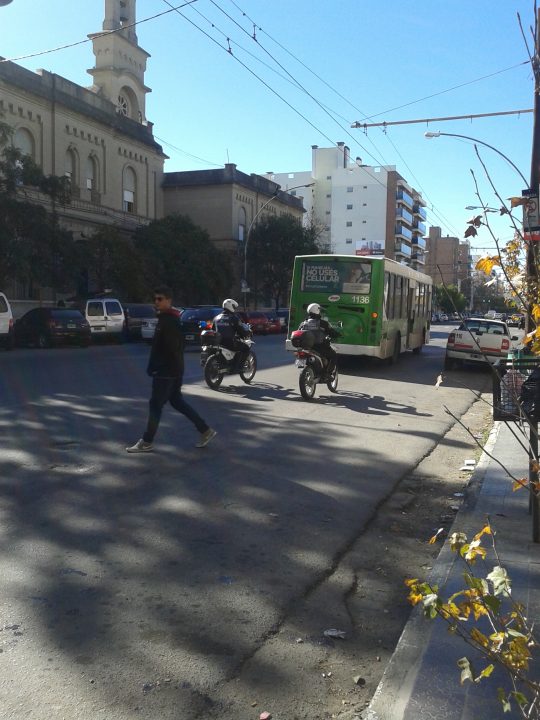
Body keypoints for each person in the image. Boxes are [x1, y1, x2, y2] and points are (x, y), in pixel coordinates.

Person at [126, 286, 216, 453]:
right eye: (155, 299)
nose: (156, 302)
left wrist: (160, 368)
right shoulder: (166, 319)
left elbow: (174, 348)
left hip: (166, 372)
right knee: (176, 401)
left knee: (155, 405)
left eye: (160, 299)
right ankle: (205, 430)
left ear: (169, 300)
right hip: (171, 370)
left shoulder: (169, 321)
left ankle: (147, 441)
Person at [299, 302, 339, 376]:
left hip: (306, 347)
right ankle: (327, 374)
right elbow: (332, 332)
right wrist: (337, 334)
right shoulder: (323, 323)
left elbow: (299, 332)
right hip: (320, 347)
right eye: (319, 310)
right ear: (317, 311)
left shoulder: (303, 323)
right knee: (333, 355)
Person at [213, 298, 250, 368]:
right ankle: (239, 367)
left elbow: (213, 329)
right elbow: (240, 330)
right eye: (234, 307)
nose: (235, 309)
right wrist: (246, 334)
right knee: (246, 347)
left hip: (218, 342)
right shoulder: (233, 318)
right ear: (231, 306)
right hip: (229, 343)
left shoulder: (216, 318)